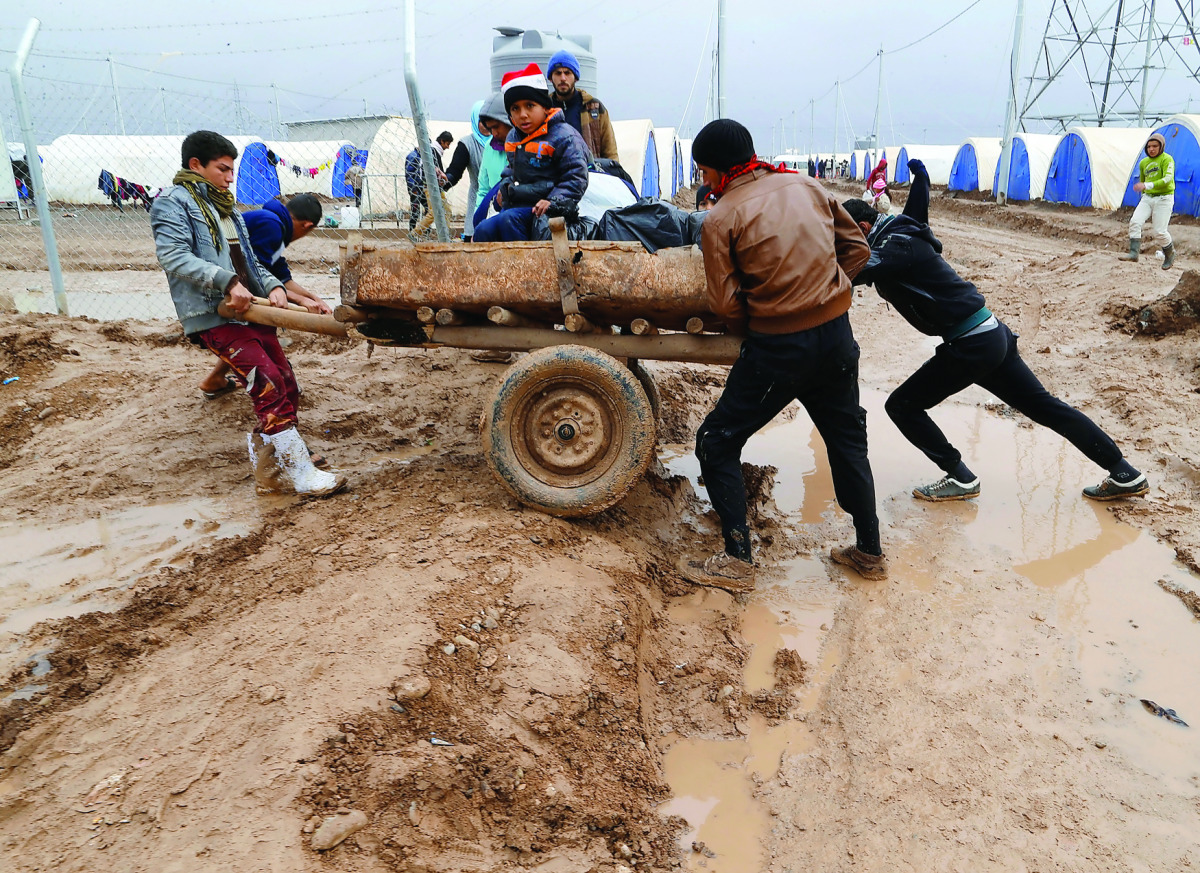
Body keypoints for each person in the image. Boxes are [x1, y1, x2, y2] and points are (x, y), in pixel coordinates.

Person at [842, 159, 1149, 503]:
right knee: (1047, 408)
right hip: (991, 334)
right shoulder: (903, 231)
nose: (843, 244)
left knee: (902, 406)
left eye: (844, 236)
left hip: (971, 344)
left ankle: (959, 476)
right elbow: (916, 211)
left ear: (864, 227)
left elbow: (853, 268)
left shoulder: (895, 247)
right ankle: (1124, 472)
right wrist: (922, 178)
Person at [676, 119, 886, 591]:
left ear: (714, 170)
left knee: (716, 441)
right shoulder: (808, 185)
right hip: (836, 337)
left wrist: (765, 323)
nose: (704, 182)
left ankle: (738, 561)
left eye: (705, 173)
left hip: (778, 348)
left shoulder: (720, 217)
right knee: (847, 440)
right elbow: (857, 250)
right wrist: (827, 292)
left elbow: (727, 304)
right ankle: (869, 552)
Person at [150, 130, 345, 498]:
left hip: (249, 310)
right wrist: (226, 282)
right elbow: (173, 257)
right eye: (223, 169)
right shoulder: (173, 204)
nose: (230, 177)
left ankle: (270, 467)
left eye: (231, 169)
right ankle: (300, 473)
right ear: (196, 165)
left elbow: (250, 261)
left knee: (286, 381)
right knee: (266, 380)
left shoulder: (225, 208)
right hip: (215, 312)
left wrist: (271, 286)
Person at [198, 192, 332, 398]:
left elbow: (280, 276)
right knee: (262, 324)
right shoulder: (271, 226)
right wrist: (300, 299)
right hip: (221, 283)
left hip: (231, 281)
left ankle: (215, 379)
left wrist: (312, 299)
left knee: (255, 328)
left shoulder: (276, 226)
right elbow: (257, 273)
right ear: (307, 226)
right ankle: (281, 380)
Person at [473, 64, 589, 243]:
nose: (523, 114)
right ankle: (490, 271)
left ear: (544, 106)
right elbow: (510, 171)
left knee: (508, 220)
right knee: (483, 229)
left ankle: (527, 269)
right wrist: (504, 191)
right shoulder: (514, 136)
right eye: (515, 109)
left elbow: (576, 176)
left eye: (529, 106)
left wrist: (553, 201)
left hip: (547, 210)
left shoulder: (564, 136)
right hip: (518, 205)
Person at [547, 50, 619, 161]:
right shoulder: (544, 109)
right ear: (551, 78)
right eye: (558, 73)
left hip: (591, 174)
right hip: (554, 176)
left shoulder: (594, 108)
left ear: (575, 77)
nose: (563, 78)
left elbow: (610, 152)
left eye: (567, 73)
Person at [1120, 132, 1176, 269]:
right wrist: (1144, 191)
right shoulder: (1144, 162)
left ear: (1161, 146)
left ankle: (1170, 254)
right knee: (1135, 222)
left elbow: (1167, 180)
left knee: (1159, 231)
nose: (1151, 149)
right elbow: (1143, 181)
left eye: (1155, 146)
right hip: (1148, 198)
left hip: (1164, 198)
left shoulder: (1167, 159)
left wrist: (1147, 186)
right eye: (1149, 146)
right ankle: (1134, 253)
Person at [442, 104, 490, 240]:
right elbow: (455, 170)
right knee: (475, 239)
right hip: (478, 199)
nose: (486, 125)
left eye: (489, 119)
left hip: (502, 198)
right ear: (475, 121)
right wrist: (446, 179)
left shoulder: (502, 139)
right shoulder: (467, 143)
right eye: (482, 121)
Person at [412, 132, 454, 238]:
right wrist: (442, 176)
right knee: (433, 213)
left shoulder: (434, 151)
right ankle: (415, 233)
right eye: (447, 144)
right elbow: (432, 169)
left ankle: (445, 236)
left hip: (436, 188)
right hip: (430, 187)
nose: (447, 147)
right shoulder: (432, 151)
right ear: (442, 141)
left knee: (447, 210)